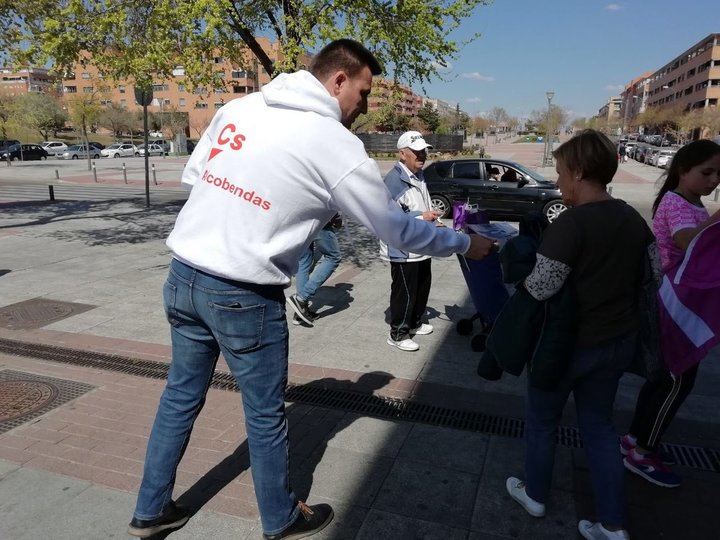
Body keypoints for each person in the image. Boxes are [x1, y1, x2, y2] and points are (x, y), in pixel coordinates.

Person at [128, 39, 493, 540]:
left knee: (179, 397)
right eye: (363, 93)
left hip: (185, 273)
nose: (363, 107)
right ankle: (279, 518)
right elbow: (397, 229)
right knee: (264, 414)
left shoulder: (241, 106)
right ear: (339, 80)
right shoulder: (333, 142)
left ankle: (150, 511)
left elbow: (198, 175)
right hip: (243, 291)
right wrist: (461, 243)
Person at [505, 130, 654, 540]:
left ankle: (535, 494)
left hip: (566, 347)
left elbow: (541, 287)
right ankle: (612, 524)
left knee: (542, 422)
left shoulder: (571, 225)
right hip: (615, 345)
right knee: (600, 428)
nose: (557, 182)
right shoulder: (633, 219)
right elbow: (652, 277)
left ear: (580, 172)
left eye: (560, 173)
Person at [621, 139, 720, 488]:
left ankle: (636, 438)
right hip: (672, 304)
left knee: (664, 379)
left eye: (718, 174)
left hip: (682, 301)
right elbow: (687, 243)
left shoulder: (693, 203)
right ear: (683, 170)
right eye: (706, 172)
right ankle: (643, 451)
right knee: (677, 379)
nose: (714, 180)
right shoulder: (677, 204)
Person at [380, 131, 442, 352]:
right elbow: (386, 218)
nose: (422, 156)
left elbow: (419, 205)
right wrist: (420, 217)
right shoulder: (393, 181)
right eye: (416, 152)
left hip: (421, 243)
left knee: (422, 286)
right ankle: (397, 333)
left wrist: (432, 220)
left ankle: (415, 322)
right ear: (402, 154)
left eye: (424, 151)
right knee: (405, 291)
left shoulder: (419, 175)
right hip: (403, 247)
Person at [287, 213, 343, 326]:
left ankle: (300, 312)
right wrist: (336, 217)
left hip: (300, 222)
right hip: (319, 220)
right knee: (333, 257)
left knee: (304, 262)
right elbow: (328, 198)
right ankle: (301, 298)